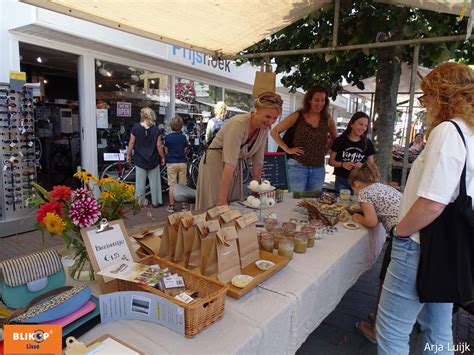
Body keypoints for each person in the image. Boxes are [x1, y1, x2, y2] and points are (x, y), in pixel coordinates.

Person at [376, 62, 474, 354]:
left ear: (442, 94)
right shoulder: (469, 132)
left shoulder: (448, 130)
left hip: (420, 243)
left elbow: (432, 203)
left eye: (426, 95)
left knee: (392, 330)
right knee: (438, 328)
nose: (425, 103)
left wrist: (401, 231)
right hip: (447, 247)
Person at [196, 92, 282, 211]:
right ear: (257, 110)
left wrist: (255, 190)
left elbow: (258, 162)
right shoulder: (238, 125)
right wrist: (222, 200)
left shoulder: (263, 129)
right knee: (215, 206)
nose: (270, 122)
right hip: (215, 165)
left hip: (233, 167)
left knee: (233, 205)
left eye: (274, 118)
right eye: (268, 116)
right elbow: (230, 163)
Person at [348, 162, 402, 345]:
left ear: (356, 184)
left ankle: (377, 329)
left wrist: (357, 217)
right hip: (413, 232)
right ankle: (382, 317)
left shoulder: (364, 192)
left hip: (402, 237)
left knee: (385, 282)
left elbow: (371, 221)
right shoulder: (382, 187)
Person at [271, 86, 337, 192]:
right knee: (295, 202)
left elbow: (334, 137)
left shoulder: (327, 119)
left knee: (313, 202)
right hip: (297, 166)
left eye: (323, 100)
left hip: (318, 168)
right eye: (316, 100)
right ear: (309, 100)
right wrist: (288, 149)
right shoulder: (298, 115)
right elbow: (274, 132)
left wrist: (325, 150)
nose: (320, 103)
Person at [126, 107, 165, 207]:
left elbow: (131, 142)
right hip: (153, 159)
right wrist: (163, 157)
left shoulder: (135, 128)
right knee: (155, 183)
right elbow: (159, 145)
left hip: (140, 159)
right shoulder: (156, 130)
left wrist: (128, 154)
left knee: (140, 184)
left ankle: (139, 202)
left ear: (142, 116)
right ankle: (156, 202)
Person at [328, 111, 375, 192]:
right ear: (351, 124)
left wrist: (363, 165)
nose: (363, 128)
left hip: (360, 181)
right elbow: (331, 161)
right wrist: (343, 164)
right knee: (341, 203)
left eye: (366, 126)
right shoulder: (339, 141)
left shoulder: (368, 143)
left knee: (357, 204)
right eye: (360, 124)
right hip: (342, 179)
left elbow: (371, 164)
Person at [164, 115, 189, 213]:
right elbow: (185, 149)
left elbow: (166, 150)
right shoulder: (183, 137)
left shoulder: (168, 137)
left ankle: (171, 206)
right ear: (181, 126)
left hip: (171, 163)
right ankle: (184, 206)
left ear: (171, 126)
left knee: (172, 186)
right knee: (182, 185)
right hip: (182, 162)